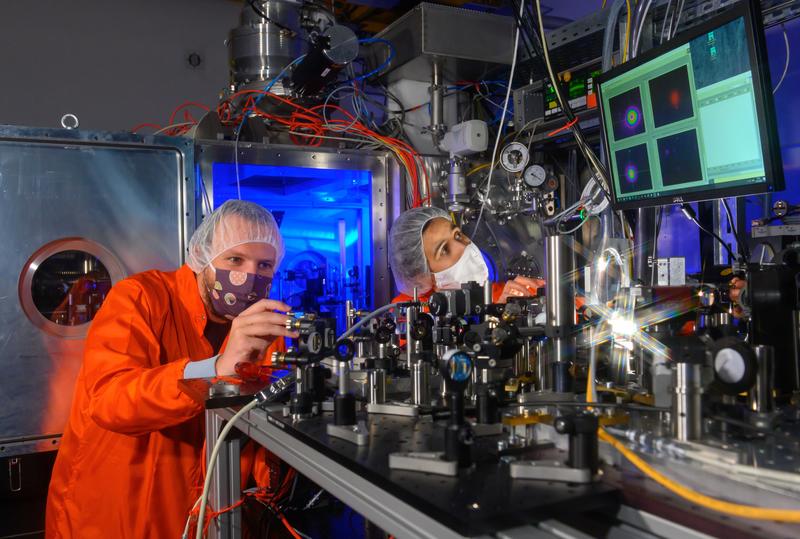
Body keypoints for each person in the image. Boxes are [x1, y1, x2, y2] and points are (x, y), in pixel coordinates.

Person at [46, 200, 299, 538]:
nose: (249, 276)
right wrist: (217, 367)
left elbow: (256, 440)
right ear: (203, 257)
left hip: (208, 515)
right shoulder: (141, 299)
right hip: (119, 513)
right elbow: (109, 403)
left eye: (264, 264)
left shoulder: (263, 330)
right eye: (234, 259)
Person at [389, 206, 545, 303]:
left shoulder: (504, 293)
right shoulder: (412, 315)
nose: (464, 245)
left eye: (457, 235)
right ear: (421, 275)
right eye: (444, 250)